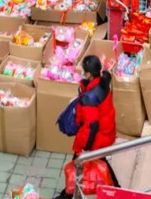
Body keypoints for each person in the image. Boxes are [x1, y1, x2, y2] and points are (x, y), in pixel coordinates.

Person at [57, 55, 119, 199]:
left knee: (77, 163)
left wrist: (85, 147)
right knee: (100, 160)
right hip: (106, 133)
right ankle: (116, 188)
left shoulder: (89, 98)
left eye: (84, 71)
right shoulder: (103, 84)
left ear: (89, 74)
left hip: (95, 139)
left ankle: (67, 194)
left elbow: (91, 125)